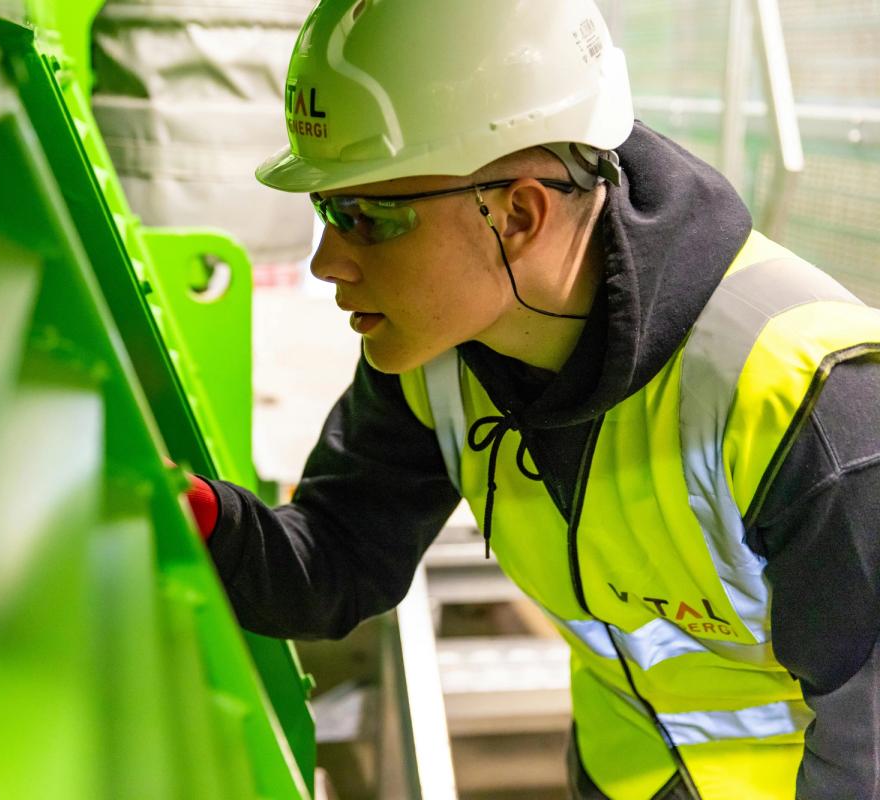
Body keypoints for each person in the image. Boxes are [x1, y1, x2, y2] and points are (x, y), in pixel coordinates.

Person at [183, 1, 880, 797]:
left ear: (518, 212)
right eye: (325, 212)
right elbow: (337, 562)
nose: (328, 262)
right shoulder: (434, 358)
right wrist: (198, 518)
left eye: (365, 216)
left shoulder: (808, 404)